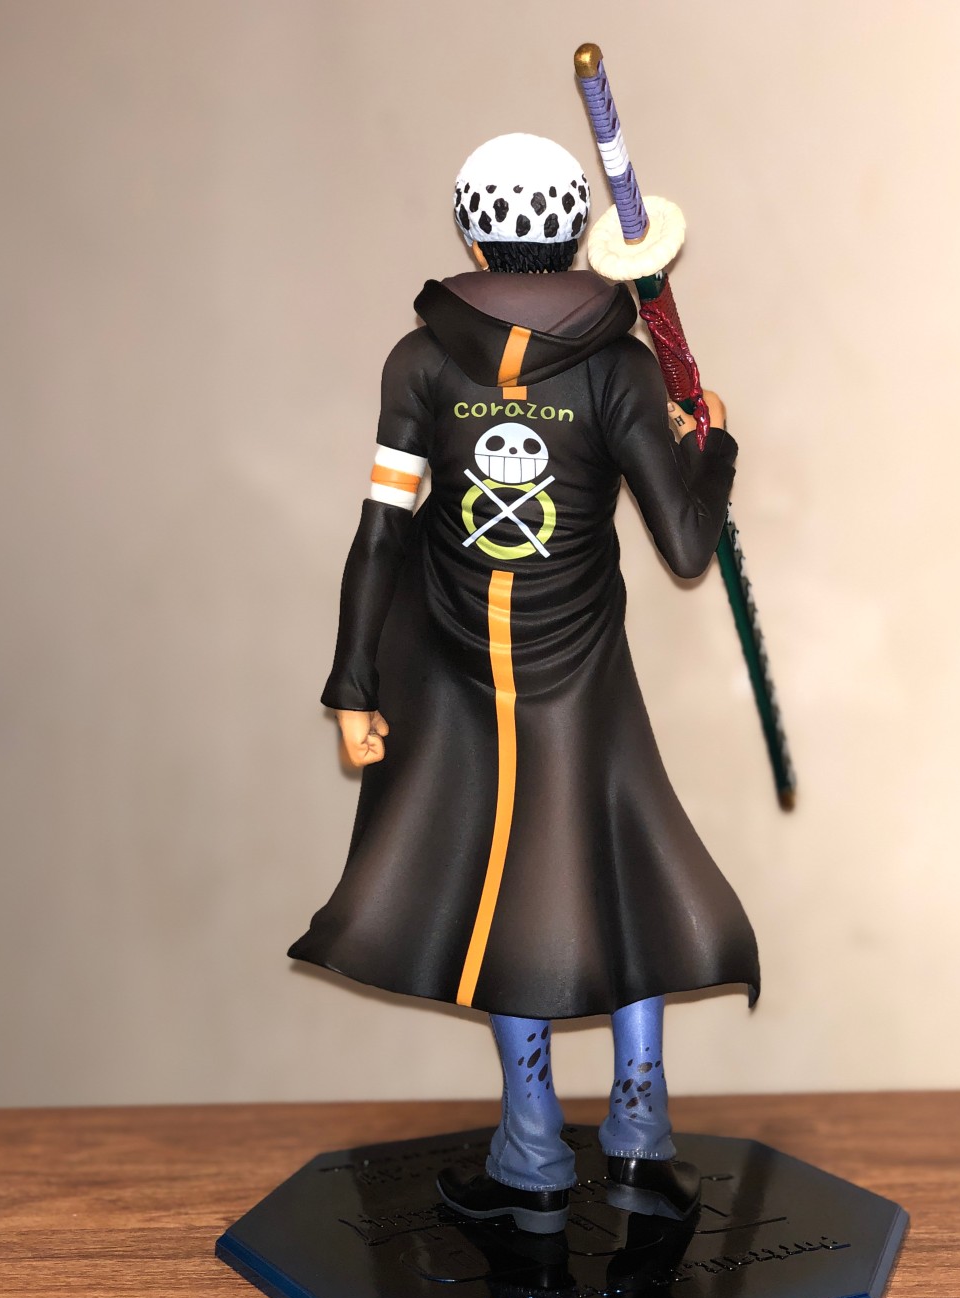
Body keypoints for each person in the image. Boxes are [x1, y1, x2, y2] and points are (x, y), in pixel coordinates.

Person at [288, 133, 759, 1234]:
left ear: (470, 235)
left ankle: (534, 1146)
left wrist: (355, 682)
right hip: (582, 678)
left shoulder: (420, 362)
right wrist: (714, 448)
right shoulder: (619, 366)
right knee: (624, 873)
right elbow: (688, 544)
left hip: (465, 678)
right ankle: (637, 1133)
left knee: (498, 889)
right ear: (575, 230)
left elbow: (381, 532)